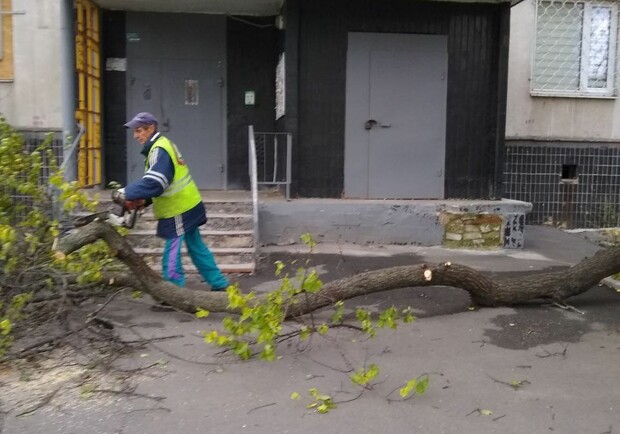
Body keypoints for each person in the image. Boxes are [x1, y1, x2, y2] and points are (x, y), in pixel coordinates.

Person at [114, 112, 229, 291]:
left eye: (139, 131)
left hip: (178, 209)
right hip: (189, 204)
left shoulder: (159, 150)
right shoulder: (163, 146)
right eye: (135, 132)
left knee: (172, 250)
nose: (136, 136)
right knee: (196, 246)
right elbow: (164, 183)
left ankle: (173, 291)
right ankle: (219, 283)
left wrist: (125, 192)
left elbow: (156, 182)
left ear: (151, 128)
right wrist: (143, 201)